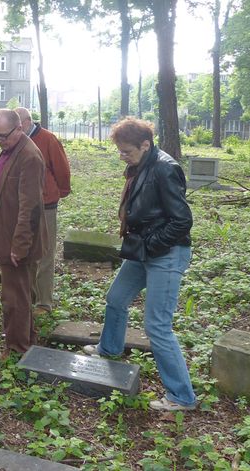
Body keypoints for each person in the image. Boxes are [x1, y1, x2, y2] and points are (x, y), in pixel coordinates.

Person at [83, 117, 197, 412]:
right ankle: (109, 348)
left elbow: (182, 221)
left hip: (166, 253)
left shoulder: (165, 168)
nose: (122, 157)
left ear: (146, 145)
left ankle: (182, 396)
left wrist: (151, 245)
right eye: (119, 151)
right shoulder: (141, 165)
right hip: (144, 249)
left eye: (127, 151)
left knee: (157, 325)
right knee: (116, 298)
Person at [0, 109, 46, 358]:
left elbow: (29, 208)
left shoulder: (29, 156)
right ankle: (26, 340)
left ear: (19, 129)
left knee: (14, 298)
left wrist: (19, 246)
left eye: (3, 136)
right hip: (3, 232)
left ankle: (18, 349)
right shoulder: (10, 150)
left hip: (16, 240)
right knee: (17, 294)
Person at [15, 107, 71, 316]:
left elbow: (62, 169)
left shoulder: (48, 139)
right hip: (22, 204)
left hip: (46, 203)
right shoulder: (14, 141)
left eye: (18, 125)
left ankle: (44, 302)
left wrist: (57, 192)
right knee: (26, 250)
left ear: (27, 123)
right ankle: (28, 295)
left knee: (45, 252)